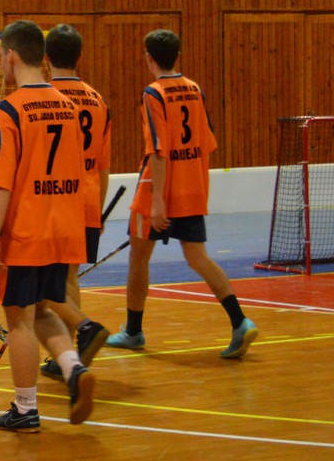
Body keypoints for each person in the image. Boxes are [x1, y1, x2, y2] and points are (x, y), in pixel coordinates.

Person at [105, 30, 258, 358]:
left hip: (156, 189)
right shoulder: (195, 89)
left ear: (148, 58)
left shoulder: (153, 93)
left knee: (138, 257)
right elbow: (207, 141)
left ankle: (133, 331)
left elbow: (158, 150)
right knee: (198, 257)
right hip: (192, 186)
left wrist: (159, 200)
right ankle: (240, 321)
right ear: (177, 56)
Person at [0, 20, 94, 432]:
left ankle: (25, 408)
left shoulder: (8, 112)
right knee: (43, 309)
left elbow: (1, 182)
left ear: (11, 56)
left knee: (19, 320)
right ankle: (74, 368)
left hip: (25, 231)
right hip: (62, 227)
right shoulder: (69, 107)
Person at [39, 25, 112, 381]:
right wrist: (98, 209)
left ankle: (77, 338)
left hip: (54, 201)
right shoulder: (98, 101)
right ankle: (70, 355)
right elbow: (103, 165)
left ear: (45, 59)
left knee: (42, 282)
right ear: (80, 57)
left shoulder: (42, 99)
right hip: (87, 200)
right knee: (68, 277)